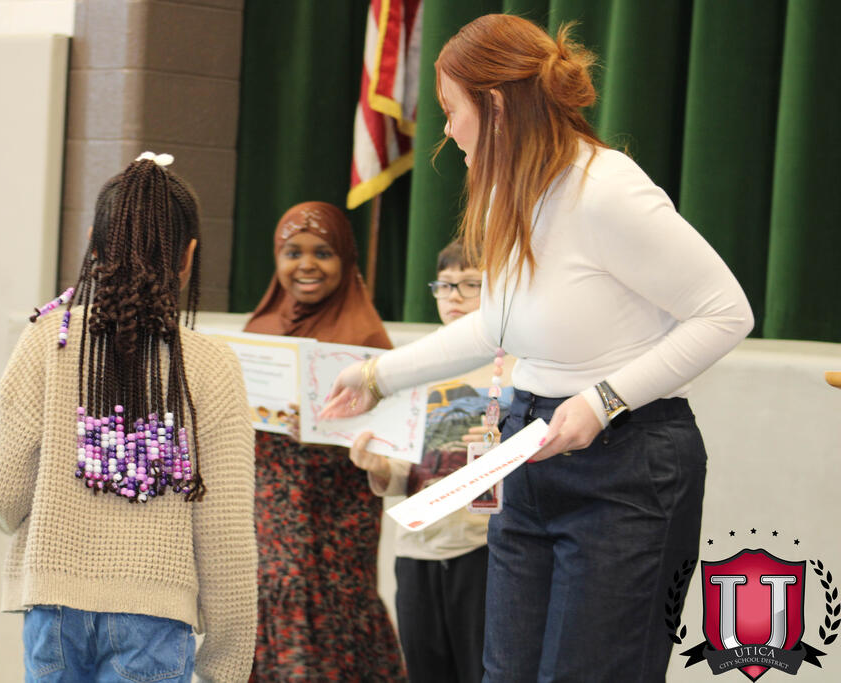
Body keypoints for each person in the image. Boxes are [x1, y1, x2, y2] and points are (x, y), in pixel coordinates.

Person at [322, 14, 754, 682]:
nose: (446, 131)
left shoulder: (606, 189)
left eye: (451, 111)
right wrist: (379, 374)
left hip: (628, 469)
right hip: (529, 452)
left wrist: (604, 400)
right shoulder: (509, 192)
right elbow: (494, 325)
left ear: (495, 106)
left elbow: (727, 312)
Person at [0, 153, 257, 682]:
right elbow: (226, 534)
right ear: (189, 257)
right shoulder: (213, 366)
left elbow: (1, 492)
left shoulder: (49, 339)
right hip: (158, 617)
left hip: (53, 608)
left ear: (94, 246)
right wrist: (226, 665)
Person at [244, 201, 405, 681]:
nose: (307, 265)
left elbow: (391, 434)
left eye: (323, 252)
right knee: (276, 593)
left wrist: (328, 431)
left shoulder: (366, 337)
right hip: (271, 501)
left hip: (339, 504)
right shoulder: (258, 331)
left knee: (332, 605)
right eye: (293, 252)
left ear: (346, 260)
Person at [349, 241, 509, 683]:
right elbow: (404, 470)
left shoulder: (519, 367)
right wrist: (379, 467)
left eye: (470, 284)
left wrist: (509, 447)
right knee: (423, 669)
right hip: (416, 547)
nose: (453, 296)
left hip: (484, 547)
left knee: (484, 669)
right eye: (445, 285)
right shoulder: (416, 366)